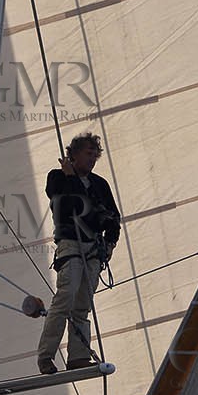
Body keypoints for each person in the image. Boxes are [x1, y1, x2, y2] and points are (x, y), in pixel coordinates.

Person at [37, 132, 121, 374]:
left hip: (94, 248)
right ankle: (46, 356)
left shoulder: (100, 184)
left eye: (95, 156)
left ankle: (78, 356)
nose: (93, 160)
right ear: (73, 154)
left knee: (82, 305)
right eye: (88, 154)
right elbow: (72, 204)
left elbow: (113, 217)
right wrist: (71, 176)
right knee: (65, 298)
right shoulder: (57, 178)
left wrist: (110, 243)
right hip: (71, 244)